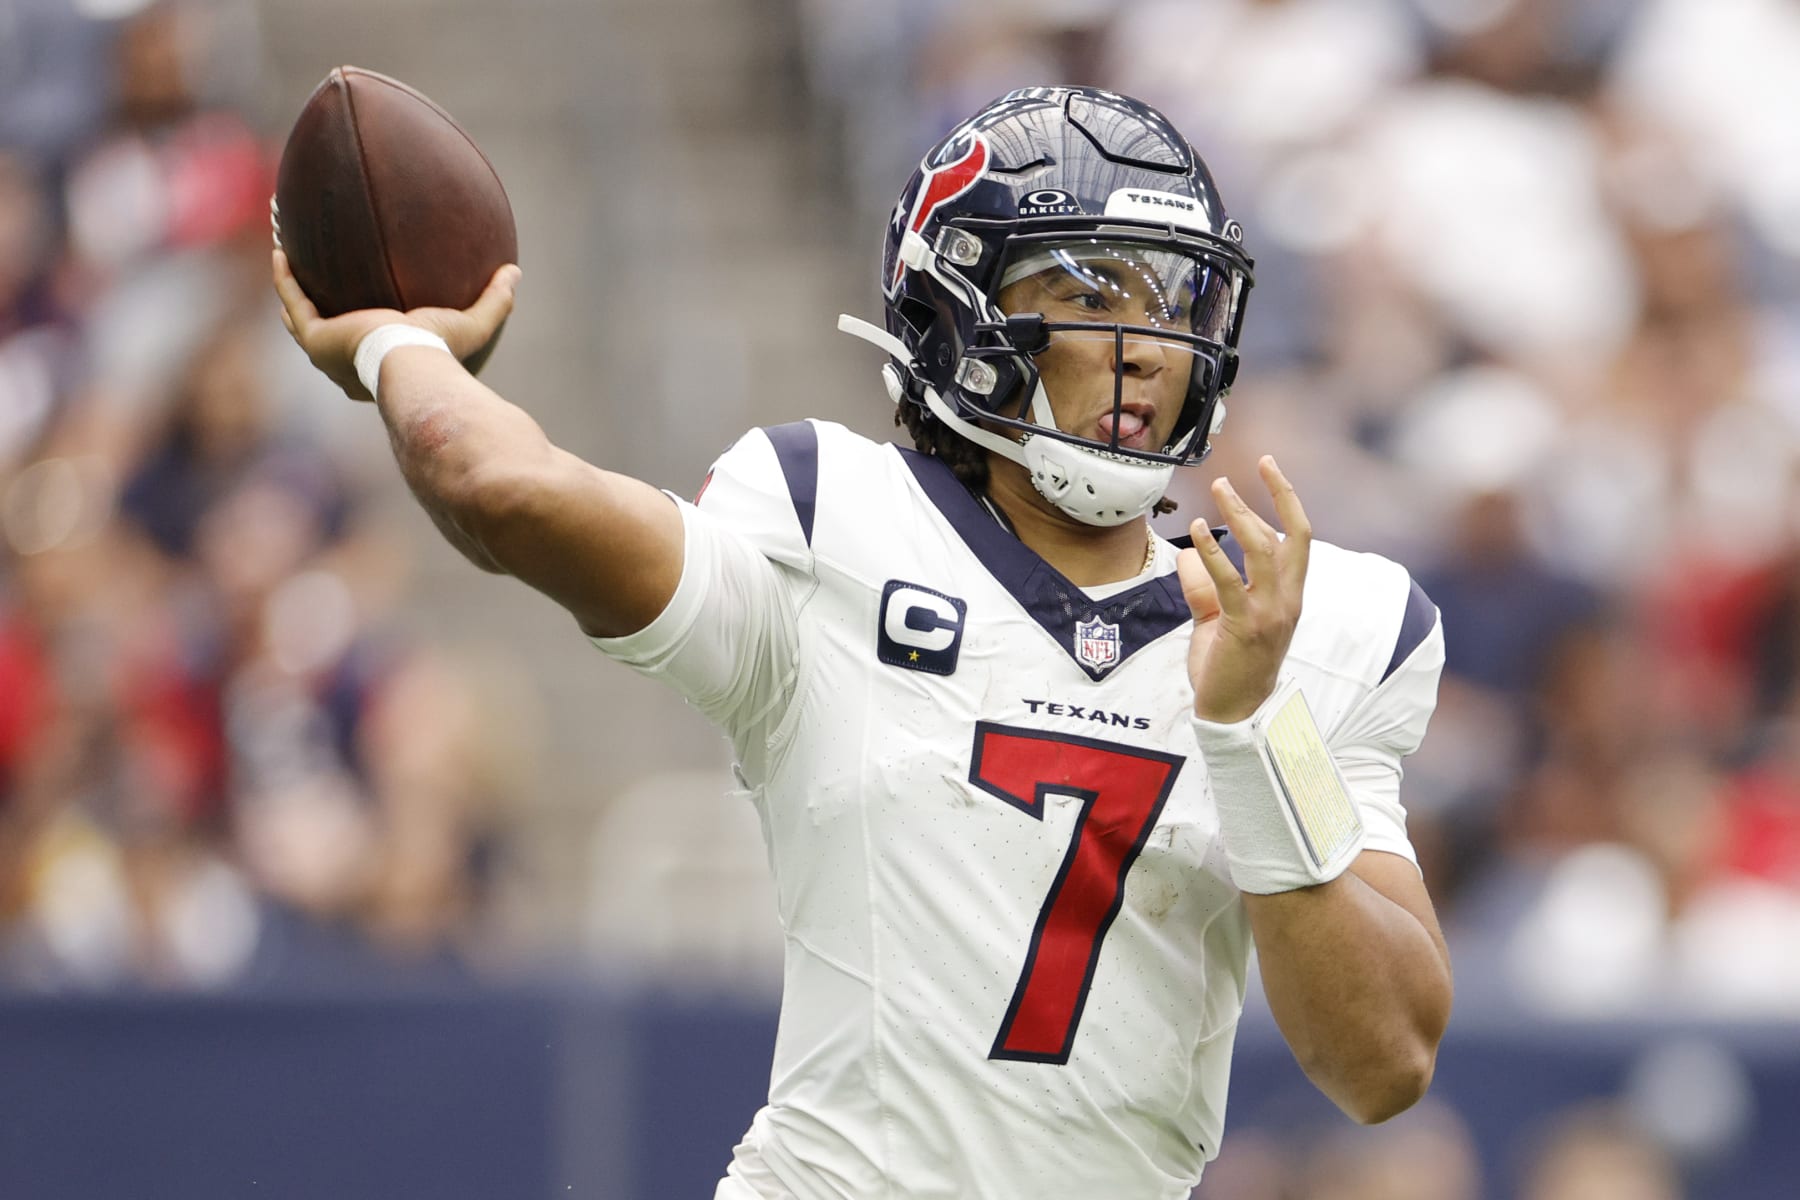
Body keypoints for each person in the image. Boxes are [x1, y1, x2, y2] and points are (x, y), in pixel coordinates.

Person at [274, 85, 1452, 1200]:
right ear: (965, 316)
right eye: (1092, 295)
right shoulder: (829, 524)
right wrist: (401, 347)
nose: (1144, 344)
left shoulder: (1303, 631)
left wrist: (1250, 728)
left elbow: (1383, 1060)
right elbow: (503, 489)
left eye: (1165, 299)